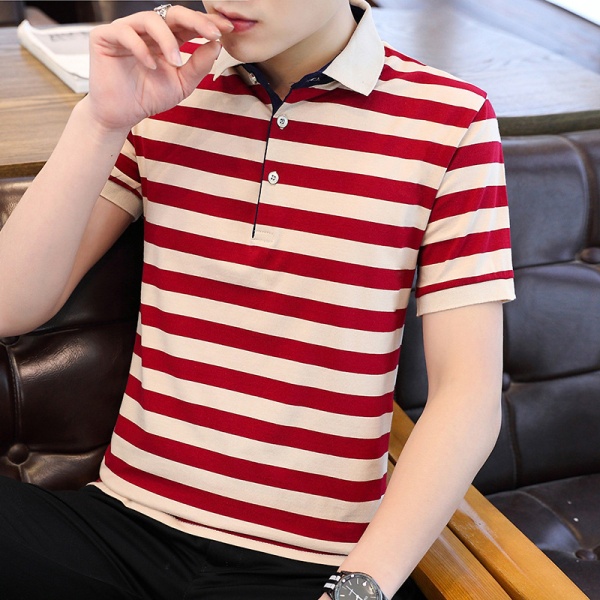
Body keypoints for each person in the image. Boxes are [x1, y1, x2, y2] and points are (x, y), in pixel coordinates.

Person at [0, 1, 515, 599]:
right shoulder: (164, 94)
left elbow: (467, 396)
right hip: (121, 526)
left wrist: (358, 589)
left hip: (306, 565)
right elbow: (11, 305)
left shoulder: (451, 119)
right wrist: (99, 119)